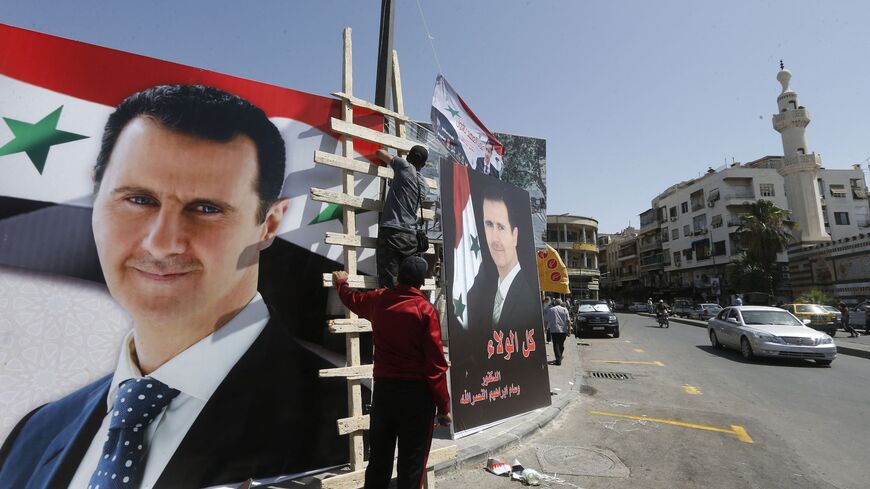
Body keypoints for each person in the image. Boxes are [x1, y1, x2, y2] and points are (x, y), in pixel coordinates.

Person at [0, 85, 346, 488]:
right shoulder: (35, 435)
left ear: (269, 224)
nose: (162, 243)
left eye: (206, 208)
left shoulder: (351, 425)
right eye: (139, 200)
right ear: (96, 194)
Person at [332, 256, 450, 489]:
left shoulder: (379, 300)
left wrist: (342, 284)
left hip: (385, 393)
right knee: (411, 465)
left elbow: (353, 300)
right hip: (417, 398)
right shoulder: (425, 310)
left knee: (378, 462)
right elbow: (435, 365)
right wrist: (443, 408)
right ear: (421, 281)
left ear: (399, 276)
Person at [375, 145, 428, 288]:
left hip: (392, 234)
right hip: (411, 239)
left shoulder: (404, 167)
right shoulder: (424, 185)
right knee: (406, 285)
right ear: (423, 165)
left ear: (408, 157)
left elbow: (380, 153)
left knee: (388, 285)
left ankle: (390, 308)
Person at [544, 299, 571, 366]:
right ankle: (559, 357)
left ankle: (558, 359)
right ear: (561, 303)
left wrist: (546, 328)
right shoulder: (565, 310)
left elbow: (546, 320)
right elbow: (568, 321)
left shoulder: (551, 310)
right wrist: (569, 330)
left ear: (555, 303)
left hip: (554, 330)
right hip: (563, 330)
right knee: (561, 344)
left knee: (556, 344)